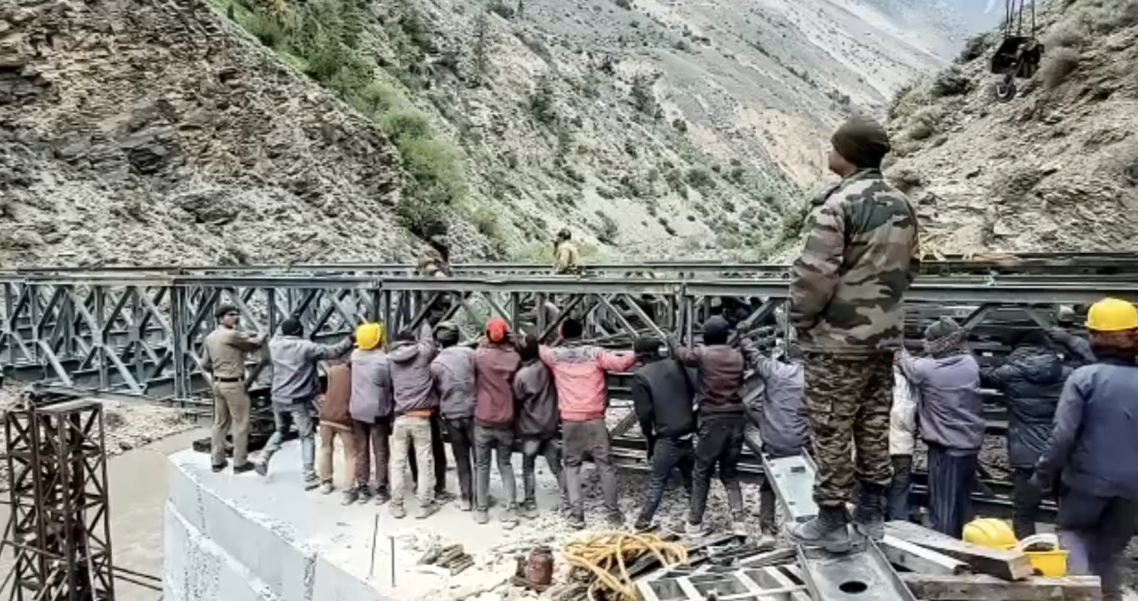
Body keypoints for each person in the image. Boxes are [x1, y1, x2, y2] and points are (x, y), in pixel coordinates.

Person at [787, 114, 919, 551]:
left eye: (833, 146)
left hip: (837, 342)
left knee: (831, 426)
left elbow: (814, 274)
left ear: (847, 154)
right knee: (873, 423)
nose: (829, 152)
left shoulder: (839, 204)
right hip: (882, 341)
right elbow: (911, 267)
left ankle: (830, 519)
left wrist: (802, 319)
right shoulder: (902, 203)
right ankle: (871, 513)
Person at [1034, 298, 1138, 601]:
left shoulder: (1084, 378)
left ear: (1094, 336)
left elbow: (1062, 436)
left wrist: (1042, 476)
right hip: (1133, 490)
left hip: (1087, 483)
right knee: (1107, 553)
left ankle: (1080, 594)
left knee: (1073, 535)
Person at [539, 317, 636, 529]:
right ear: (582, 333)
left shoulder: (554, 356)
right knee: (606, 465)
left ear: (562, 334)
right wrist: (638, 350)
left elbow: (537, 348)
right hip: (595, 418)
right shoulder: (596, 353)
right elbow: (622, 364)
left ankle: (577, 516)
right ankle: (613, 514)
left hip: (570, 419)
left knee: (572, 466)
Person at [897, 318, 984, 538]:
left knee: (943, 507)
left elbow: (903, 360)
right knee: (963, 502)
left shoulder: (926, 369)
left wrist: (894, 337)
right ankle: (969, 547)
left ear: (936, 344)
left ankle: (946, 552)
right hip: (970, 446)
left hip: (945, 449)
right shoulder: (969, 363)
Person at [980, 330, 1070, 539]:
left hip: (1026, 454)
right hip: (1060, 451)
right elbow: (1091, 362)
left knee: (1024, 513)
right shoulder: (1066, 373)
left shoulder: (1009, 373)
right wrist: (1071, 341)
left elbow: (980, 376)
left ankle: (1028, 560)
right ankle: (1070, 558)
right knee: (1068, 514)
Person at [667, 317, 747, 536]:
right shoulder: (737, 355)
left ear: (706, 336)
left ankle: (694, 523)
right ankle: (739, 523)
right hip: (737, 419)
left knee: (701, 472)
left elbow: (682, 355)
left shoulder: (704, 354)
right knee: (730, 473)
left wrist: (673, 339)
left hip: (713, 419)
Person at [259, 319, 354, 489]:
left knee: (281, 430)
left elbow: (277, 334)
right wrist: (351, 339)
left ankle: (264, 456)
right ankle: (309, 476)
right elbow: (334, 351)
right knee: (307, 436)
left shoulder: (274, 345)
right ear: (299, 332)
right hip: (297, 399)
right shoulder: (306, 347)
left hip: (277, 397)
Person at [631, 337, 697, 532]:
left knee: (657, 480)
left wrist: (649, 437)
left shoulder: (640, 376)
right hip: (687, 430)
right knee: (691, 478)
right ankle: (697, 518)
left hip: (666, 436)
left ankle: (643, 521)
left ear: (639, 355)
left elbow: (644, 413)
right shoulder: (678, 365)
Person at [753, 344, 809, 544]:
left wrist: (742, 336)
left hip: (773, 442)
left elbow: (755, 356)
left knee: (768, 486)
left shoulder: (773, 370)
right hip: (800, 443)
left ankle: (767, 531)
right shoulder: (811, 377)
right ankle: (803, 527)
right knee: (803, 485)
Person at [202, 305, 265, 473]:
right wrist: (261, 334)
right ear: (221, 318)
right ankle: (239, 462)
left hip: (217, 384)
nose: (235, 317)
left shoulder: (211, 337)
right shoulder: (231, 335)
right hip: (233, 384)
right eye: (231, 315)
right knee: (241, 423)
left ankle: (217, 461)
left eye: (237, 314)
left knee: (220, 423)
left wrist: (219, 368)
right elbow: (255, 344)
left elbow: (204, 364)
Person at [473, 318, 523, 525]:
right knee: (505, 463)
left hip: (483, 418)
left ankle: (482, 509)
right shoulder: (514, 358)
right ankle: (511, 507)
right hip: (506, 418)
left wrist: (481, 344)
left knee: (482, 465)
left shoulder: (479, 357)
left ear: (486, 334)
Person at [388, 328, 442, 519]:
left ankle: (397, 505)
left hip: (401, 417)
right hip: (421, 417)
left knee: (397, 463)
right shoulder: (422, 353)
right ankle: (424, 505)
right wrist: (427, 324)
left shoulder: (390, 360)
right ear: (413, 340)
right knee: (425, 462)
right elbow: (429, 340)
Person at [513, 335, 566, 518]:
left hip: (530, 429)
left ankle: (530, 504)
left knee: (528, 466)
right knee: (556, 465)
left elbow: (517, 399)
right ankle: (568, 501)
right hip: (550, 425)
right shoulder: (548, 369)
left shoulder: (521, 375)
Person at [430, 322, 477, 511]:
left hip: (451, 414)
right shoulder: (471, 355)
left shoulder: (436, 363)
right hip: (473, 411)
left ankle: (466, 498)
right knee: (480, 458)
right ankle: (481, 496)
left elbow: (434, 391)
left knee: (461, 457)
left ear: (439, 341)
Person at [349, 322, 393, 505]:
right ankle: (381, 489)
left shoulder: (355, 356)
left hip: (357, 409)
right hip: (377, 410)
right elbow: (388, 383)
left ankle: (363, 488)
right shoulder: (384, 360)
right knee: (380, 450)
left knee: (361, 449)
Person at [317, 355, 356, 499]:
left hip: (326, 415)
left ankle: (325, 482)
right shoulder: (355, 373)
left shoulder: (332, 371)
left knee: (325, 448)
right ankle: (348, 489)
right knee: (351, 453)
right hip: (344, 417)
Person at [887, 361, 919, 523]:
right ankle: (900, 529)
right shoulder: (909, 384)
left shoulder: (868, 379)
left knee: (871, 494)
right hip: (903, 448)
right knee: (899, 491)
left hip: (874, 449)